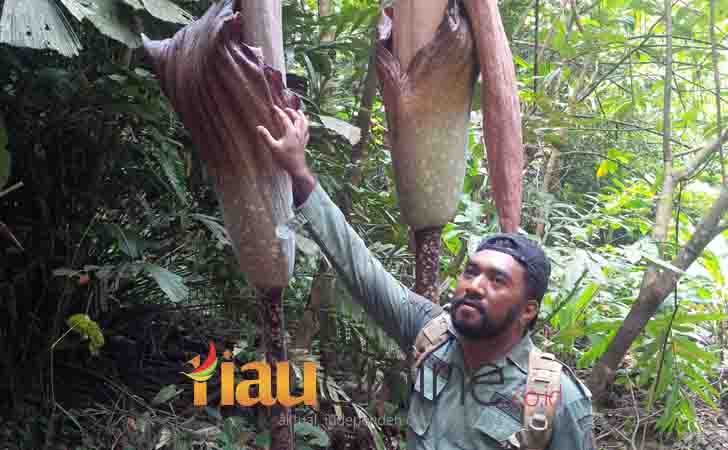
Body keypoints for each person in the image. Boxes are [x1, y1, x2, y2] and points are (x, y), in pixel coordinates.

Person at [256, 106, 595, 450]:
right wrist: (298, 171)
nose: (475, 286)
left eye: (497, 281)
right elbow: (359, 267)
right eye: (472, 271)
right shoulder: (431, 335)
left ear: (527, 310)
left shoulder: (555, 400)